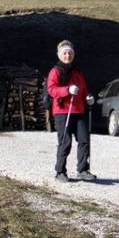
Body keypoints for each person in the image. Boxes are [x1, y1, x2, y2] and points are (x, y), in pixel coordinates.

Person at [46, 40, 96, 182]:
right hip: (62, 111)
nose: (67, 55)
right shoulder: (56, 71)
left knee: (84, 140)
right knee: (65, 142)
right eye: (65, 53)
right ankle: (60, 172)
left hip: (78, 110)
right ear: (60, 55)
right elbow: (51, 90)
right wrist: (67, 90)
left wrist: (88, 97)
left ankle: (83, 169)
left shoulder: (77, 71)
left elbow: (83, 89)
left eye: (70, 53)